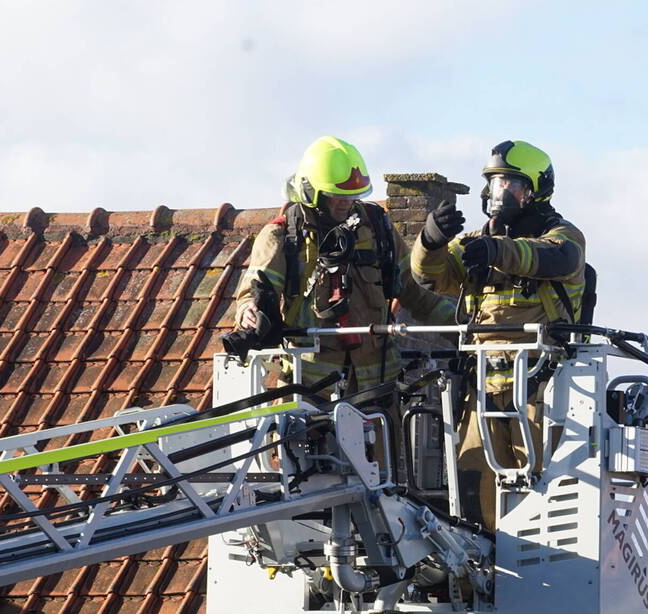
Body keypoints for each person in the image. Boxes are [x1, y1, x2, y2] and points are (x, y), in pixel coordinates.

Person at [410, 140, 586, 530]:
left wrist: (496, 250)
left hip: (541, 389)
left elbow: (551, 257)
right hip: (483, 387)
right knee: (473, 486)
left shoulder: (566, 238)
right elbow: (427, 277)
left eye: (510, 184)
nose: (498, 194)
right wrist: (431, 241)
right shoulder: (476, 242)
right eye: (494, 184)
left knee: (542, 490)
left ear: (536, 191)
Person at [233, 135, 455, 402]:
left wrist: (463, 328)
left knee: (387, 443)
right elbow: (251, 295)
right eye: (335, 195)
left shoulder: (376, 228)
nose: (345, 202)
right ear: (309, 191)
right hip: (311, 392)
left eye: (351, 195)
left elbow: (415, 292)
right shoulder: (282, 237)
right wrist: (249, 313)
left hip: (378, 390)